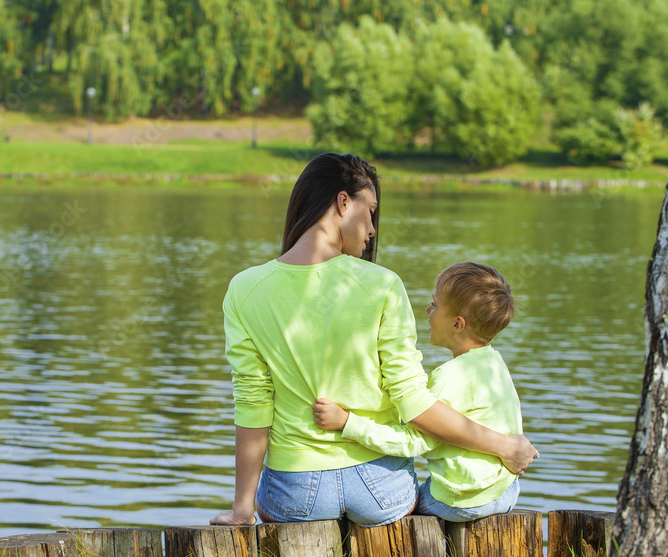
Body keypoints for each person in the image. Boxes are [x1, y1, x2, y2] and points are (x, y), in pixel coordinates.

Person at [209, 153, 537, 527]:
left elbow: (253, 404)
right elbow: (414, 403)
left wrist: (242, 508)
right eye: (372, 210)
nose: (373, 228)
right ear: (343, 202)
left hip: (296, 494)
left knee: (278, 499)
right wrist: (504, 445)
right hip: (381, 490)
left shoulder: (244, 290)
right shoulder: (382, 284)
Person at [313, 262, 523, 521]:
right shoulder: (495, 365)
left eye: (434, 305)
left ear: (458, 324)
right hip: (506, 490)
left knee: (396, 503)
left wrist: (348, 423)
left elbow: (413, 441)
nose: (427, 310)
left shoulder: (450, 376)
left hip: (465, 498)